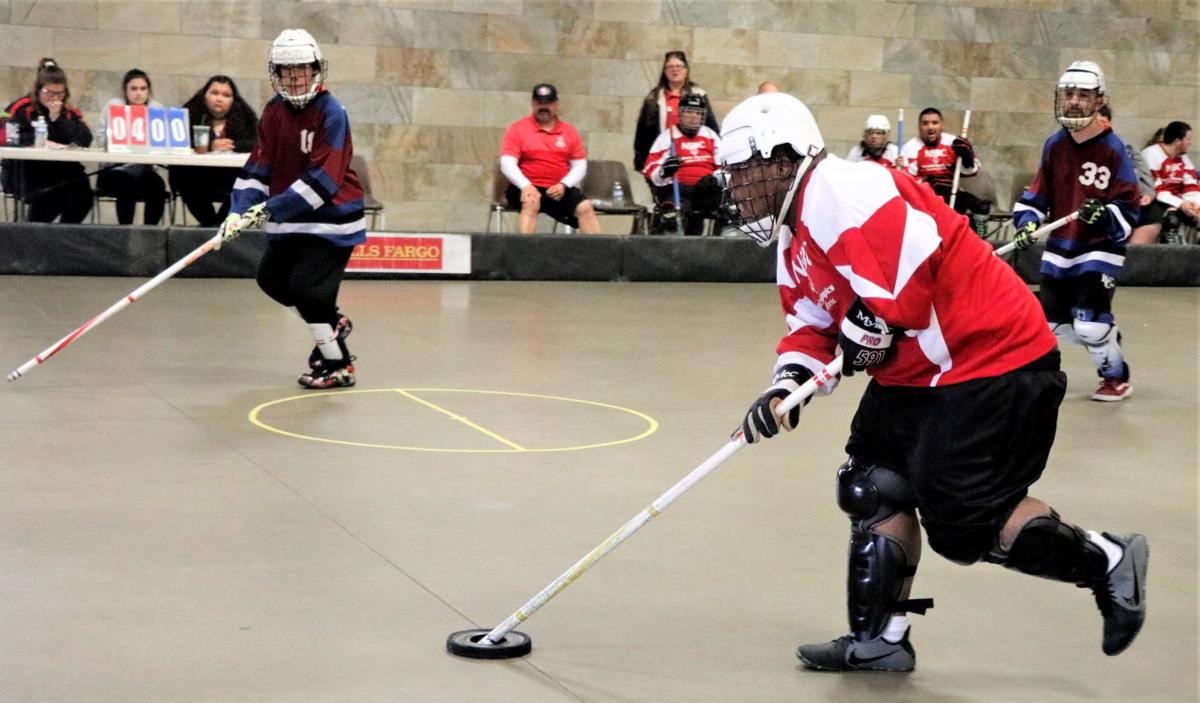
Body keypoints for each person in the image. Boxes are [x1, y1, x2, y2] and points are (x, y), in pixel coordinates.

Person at [718, 92, 1148, 673]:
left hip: (992, 359)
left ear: (782, 158)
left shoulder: (847, 189)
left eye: (743, 169)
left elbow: (905, 296)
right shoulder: (794, 239)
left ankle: (1108, 560)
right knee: (872, 483)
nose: (736, 186)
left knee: (968, 525)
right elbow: (811, 328)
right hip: (920, 370)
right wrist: (785, 389)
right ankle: (880, 640)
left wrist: (868, 327)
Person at [216, 29, 366, 389]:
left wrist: (270, 207)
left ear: (315, 70)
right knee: (271, 280)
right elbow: (258, 167)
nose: (295, 77)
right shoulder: (272, 111)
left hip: (332, 219)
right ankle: (332, 323)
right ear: (276, 73)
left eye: (302, 68)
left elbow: (324, 180)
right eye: (286, 70)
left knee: (307, 291)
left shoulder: (332, 111)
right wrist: (238, 211)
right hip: (288, 220)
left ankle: (338, 365)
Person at [1012, 61, 1140, 402]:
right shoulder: (1055, 144)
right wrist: (1027, 222)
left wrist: (1105, 214)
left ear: (1099, 101)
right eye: (1068, 94)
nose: (1073, 101)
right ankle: (1105, 337)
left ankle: (1116, 377)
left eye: (1083, 95)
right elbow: (1037, 194)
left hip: (1099, 249)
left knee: (1090, 325)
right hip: (1060, 248)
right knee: (1054, 323)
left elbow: (1129, 205)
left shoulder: (1114, 149)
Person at [499, 83, 600, 235]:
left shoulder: (569, 132)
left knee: (585, 207)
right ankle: (524, 252)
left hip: (559, 188)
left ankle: (599, 256)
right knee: (531, 203)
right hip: (526, 186)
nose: (544, 107)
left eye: (548, 103)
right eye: (539, 103)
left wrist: (564, 185)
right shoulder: (517, 129)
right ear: (532, 104)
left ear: (557, 104)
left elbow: (580, 166)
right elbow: (507, 163)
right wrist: (525, 186)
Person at [3, 58, 93, 223]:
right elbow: (7, 136)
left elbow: (85, 138)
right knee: (51, 194)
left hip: (61, 170)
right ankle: (35, 239)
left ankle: (63, 238)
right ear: (38, 90)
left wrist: (57, 118)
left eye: (60, 93)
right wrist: (40, 141)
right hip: (26, 171)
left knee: (83, 194)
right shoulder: (20, 108)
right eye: (49, 93)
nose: (55, 98)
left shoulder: (69, 111)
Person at [169, 75, 258, 226]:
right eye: (214, 93)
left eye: (226, 95)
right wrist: (210, 145)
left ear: (233, 100)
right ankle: (211, 225)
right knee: (182, 174)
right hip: (197, 178)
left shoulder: (245, 117)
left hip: (229, 178)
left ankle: (218, 225)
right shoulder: (189, 113)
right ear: (204, 96)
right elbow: (176, 141)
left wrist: (233, 145)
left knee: (250, 179)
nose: (219, 99)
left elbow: (258, 142)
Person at [642, 93, 721, 235]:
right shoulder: (668, 136)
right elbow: (649, 168)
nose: (693, 116)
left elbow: (726, 166)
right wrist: (664, 172)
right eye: (689, 111)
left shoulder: (711, 135)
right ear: (681, 113)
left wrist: (716, 178)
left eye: (698, 112)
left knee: (732, 208)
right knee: (671, 216)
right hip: (677, 190)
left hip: (704, 191)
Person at [96, 68, 168, 225]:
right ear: (125, 91)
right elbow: (101, 139)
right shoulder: (113, 106)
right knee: (125, 185)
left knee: (158, 186)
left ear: (148, 90)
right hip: (114, 169)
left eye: (143, 89)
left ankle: (150, 233)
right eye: (134, 89)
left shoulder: (157, 109)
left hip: (145, 169)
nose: (139, 93)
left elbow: (163, 142)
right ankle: (126, 232)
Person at [633, 51, 719, 173]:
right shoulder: (654, 97)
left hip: (694, 155)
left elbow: (711, 126)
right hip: (664, 155)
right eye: (670, 67)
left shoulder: (698, 94)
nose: (675, 70)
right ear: (665, 71)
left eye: (679, 66)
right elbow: (643, 133)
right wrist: (641, 163)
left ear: (686, 70)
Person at [899, 107, 983, 215]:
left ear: (942, 125)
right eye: (925, 123)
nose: (930, 127)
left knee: (971, 210)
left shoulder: (953, 142)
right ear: (919, 127)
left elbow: (973, 170)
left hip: (952, 196)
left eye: (935, 123)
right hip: (924, 199)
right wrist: (927, 183)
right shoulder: (910, 147)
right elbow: (909, 181)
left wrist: (967, 159)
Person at [1130, 121, 1198, 244]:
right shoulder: (1151, 153)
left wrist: (1196, 205)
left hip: (1179, 201)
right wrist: (1181, 204)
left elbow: (1191, 185)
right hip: (1154, 200)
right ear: (1178, 142)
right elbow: (1155, 189)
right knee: (1171, 218)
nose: (1190, 142)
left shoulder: (1183, 157)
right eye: (1188, 139)